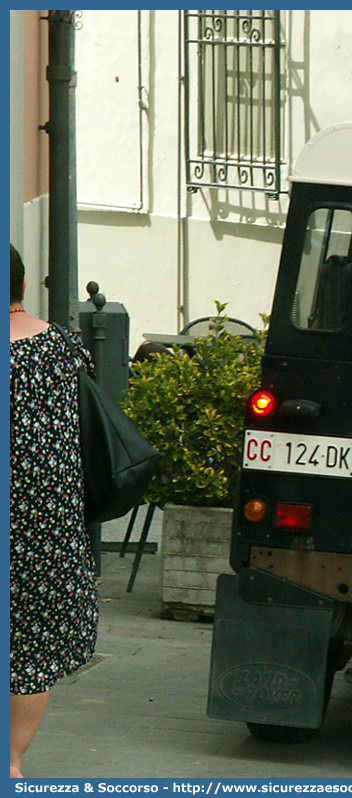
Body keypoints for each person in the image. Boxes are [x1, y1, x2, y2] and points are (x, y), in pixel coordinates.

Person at [9, 244, 99, 778]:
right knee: (30, 652)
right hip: (49, 527)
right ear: (23, 285)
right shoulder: (63, 347)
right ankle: (12, 760)